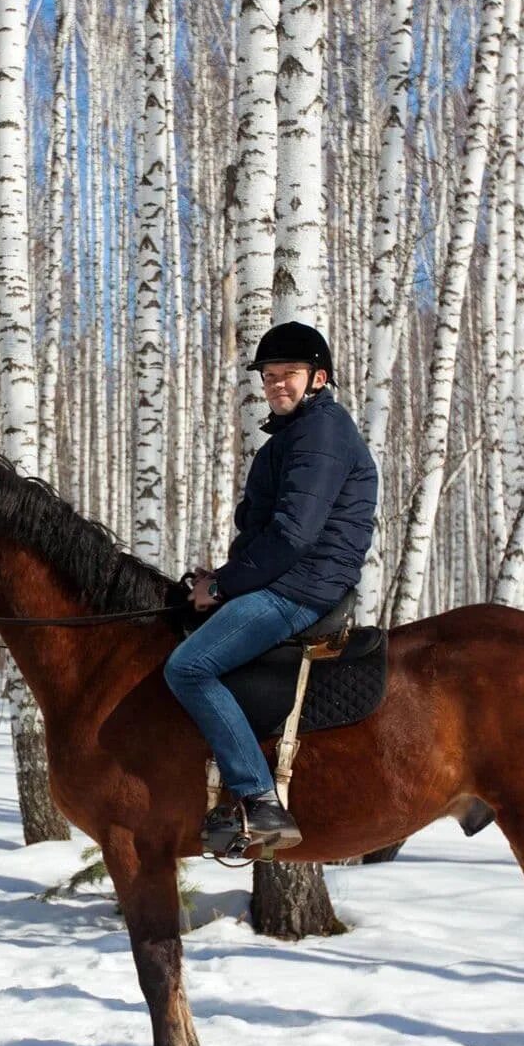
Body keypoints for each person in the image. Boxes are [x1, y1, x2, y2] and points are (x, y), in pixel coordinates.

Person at [163, 322, 377, 858]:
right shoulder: (299, 433)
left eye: (290, 375)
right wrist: (222, 577)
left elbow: (293, 535)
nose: (277, 384)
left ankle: (260, 801)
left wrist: (228, 584)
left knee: (187, 668)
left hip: (303, 587)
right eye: (270, 375)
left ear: (319, 378)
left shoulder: (320, 436)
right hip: (294, 577)